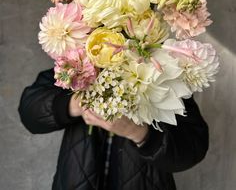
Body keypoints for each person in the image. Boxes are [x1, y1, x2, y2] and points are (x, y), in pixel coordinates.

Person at [18, 68, 209, 190]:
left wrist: (138, 132)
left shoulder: (163, 76)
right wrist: (76, 102)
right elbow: (29, 112)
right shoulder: (74, 68)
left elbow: (192, 149)